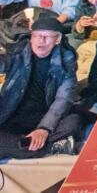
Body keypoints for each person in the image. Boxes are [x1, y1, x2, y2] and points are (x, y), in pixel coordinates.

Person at [0, 12, 79, 159]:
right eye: (36, 36)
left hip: (43, 117)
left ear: (58, 39)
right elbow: (3, 62)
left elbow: (63, 99)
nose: (40, 41)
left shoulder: (66, 62)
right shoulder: (19, 53)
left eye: (46, 36)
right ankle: (49, 147)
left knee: (73, 121)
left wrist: (44, 129)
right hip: (12, 113)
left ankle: (21, 146)